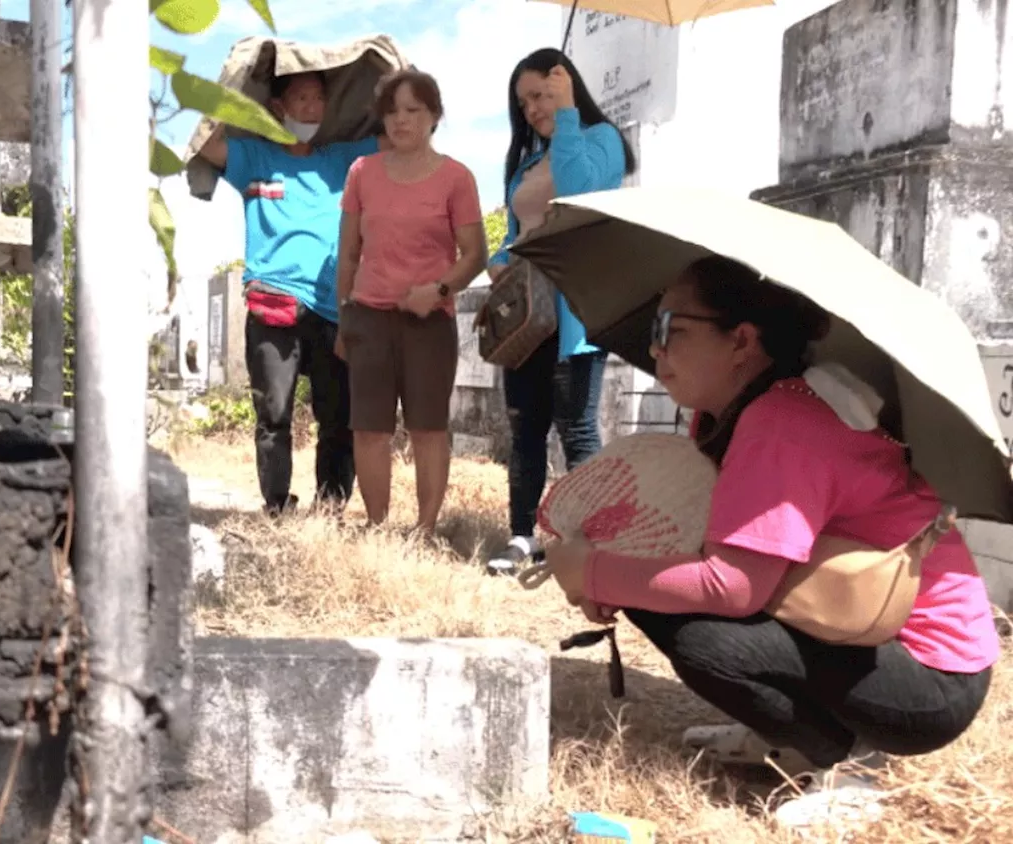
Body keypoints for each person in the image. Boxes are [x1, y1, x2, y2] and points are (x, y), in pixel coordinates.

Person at [542, 255, 1000, 830]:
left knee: (702, 633)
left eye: (671, 331)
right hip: (864, 634)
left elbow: (732, 587)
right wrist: (607, 569)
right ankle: (792, 738)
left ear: (742, 341)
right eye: (653, 332)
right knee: (658, 590)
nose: (655, 350)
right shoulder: (732, 413)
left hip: (930, 679)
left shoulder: (781, 422)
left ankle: (852, 764)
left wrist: (594, 573)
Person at [198, 71, 385, 516]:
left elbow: (398, 134)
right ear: (279, 107)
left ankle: (331, 504)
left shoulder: (342, 159)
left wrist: (385, 83)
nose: (312, 108)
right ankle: (278, 504)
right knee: (274, 415)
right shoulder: (254, 157)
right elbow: (206, 144)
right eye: (301, 98)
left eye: (319, 99)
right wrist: (234, 83)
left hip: (332, 308)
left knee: (337, 417)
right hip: (273, 303)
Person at [485, 48, 637, 574]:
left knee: (575, 428)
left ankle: (590, 541)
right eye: (524, 102)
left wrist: (568, 113)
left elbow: (580, 190)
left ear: (566, 87)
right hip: (525, 315)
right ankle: (522, 536)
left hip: (573, 312)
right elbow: (516, 232)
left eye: (541, 95)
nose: (532, 109)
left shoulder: (601, 142)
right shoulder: (528, 163)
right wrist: (498, 260)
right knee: (524, 427)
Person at [334, 69, 486, 533]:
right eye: (392, 111)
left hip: (428, 320)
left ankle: (424, 529)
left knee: (428, 428)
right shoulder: (362, 172)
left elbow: (475, 254)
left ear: (434, 115)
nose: (401, 120)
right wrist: (344, 319)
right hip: (368, 316)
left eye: (413, 110)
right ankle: (378, 527)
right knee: (369, 429)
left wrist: (439, 291)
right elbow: (347, 254)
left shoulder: (457, 178)